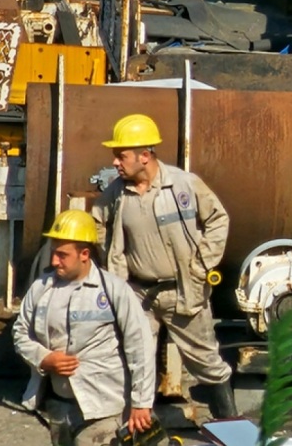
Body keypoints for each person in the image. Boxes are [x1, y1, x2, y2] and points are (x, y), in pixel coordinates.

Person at [91, 114, 237, 418]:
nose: (116, 163)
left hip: (182, 292)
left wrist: (202, 264)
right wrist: (113, 261)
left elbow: (218, 219)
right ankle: (140, 426)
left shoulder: (183, 184)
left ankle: (229, 422)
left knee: (205, 360)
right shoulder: (117, 192)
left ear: (144, 156)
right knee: (136, 358)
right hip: (138, 294)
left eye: (121, 156)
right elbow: (98, 223)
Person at [13, 210, 156, 446]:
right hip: (59, 405)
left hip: (104, 409)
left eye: (62, 255)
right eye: (53, 252)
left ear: (85, 254)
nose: (54, 261)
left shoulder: (114, 290)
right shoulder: (41, 288)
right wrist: (44, 358)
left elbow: (140, 347)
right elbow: (20, 333)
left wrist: (141, 403)